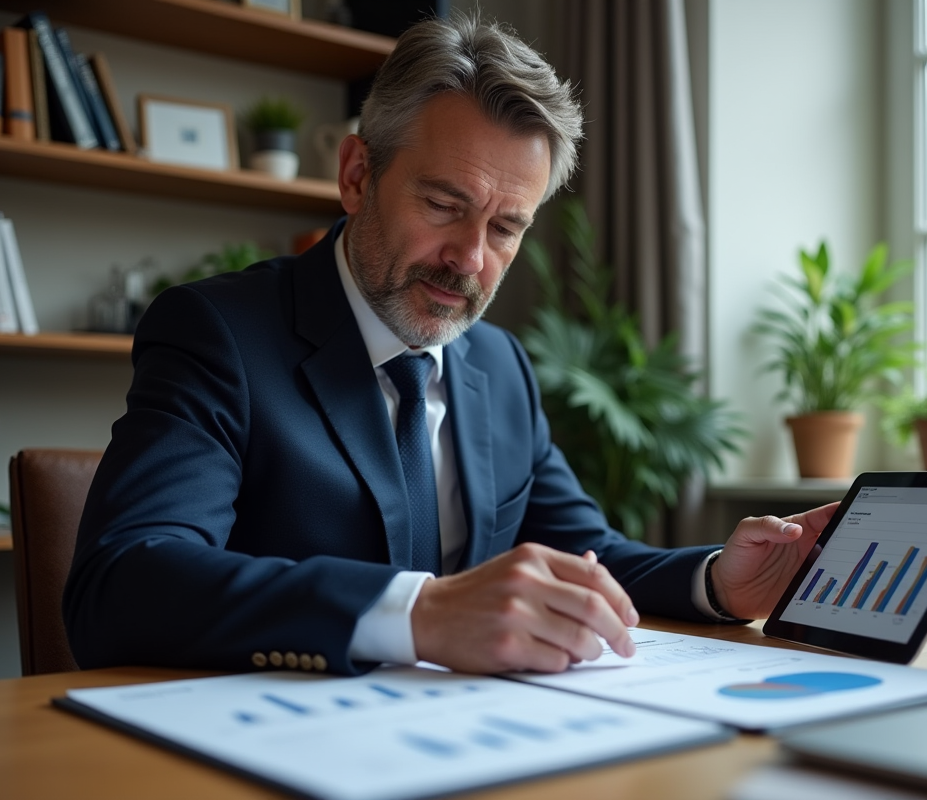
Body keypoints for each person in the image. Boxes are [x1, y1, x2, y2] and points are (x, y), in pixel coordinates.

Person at [63, 14, 836, 677]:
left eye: (505, 228)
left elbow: (586, 552)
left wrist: (717, 583)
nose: (470, 258)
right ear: (358, 175)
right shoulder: (217, 333)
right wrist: (420, 613)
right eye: (443, 204)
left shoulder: (499, 366)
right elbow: (123, 581)